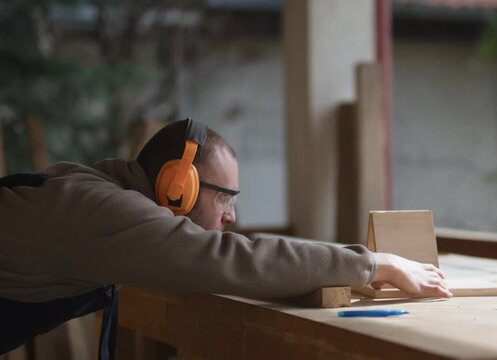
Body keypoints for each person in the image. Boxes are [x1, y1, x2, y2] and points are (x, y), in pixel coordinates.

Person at [0, 118, 451, 359]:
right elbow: (228, 258)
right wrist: (375, 264)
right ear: (178, 188)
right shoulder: (102, 211)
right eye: (224, 199)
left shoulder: (99, 198)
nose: (232, 217)